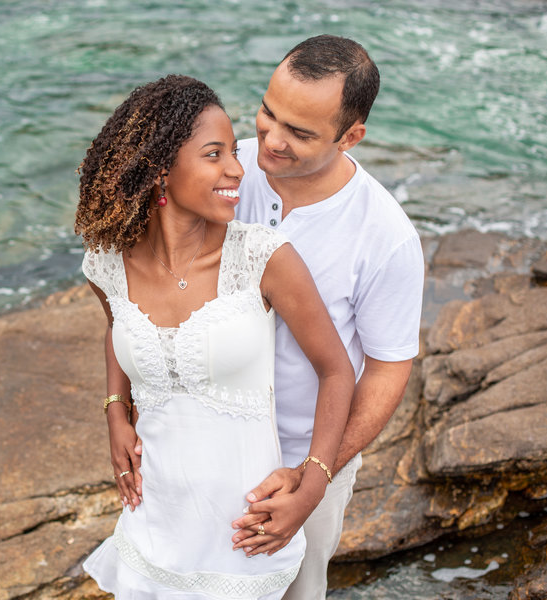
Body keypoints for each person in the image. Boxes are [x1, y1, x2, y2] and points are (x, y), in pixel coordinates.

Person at [75, 74, 355, 598]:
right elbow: (118, 325)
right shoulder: (106, 264)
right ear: (160, 169)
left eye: (233, 151)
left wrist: (312, 483)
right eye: (214, 154)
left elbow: (336, 370)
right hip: (153, 521)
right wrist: (116, 409)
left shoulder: (264, 257)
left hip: (244, 535)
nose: (236, 169)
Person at [227, 35, 425, 599]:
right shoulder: (221, 170)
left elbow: (388, 370)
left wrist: (314, 477)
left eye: (301, 132)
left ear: (351, 135)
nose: (272, 139)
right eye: (268, 112)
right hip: (203, 436)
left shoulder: (385, 235)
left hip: (304, 454)